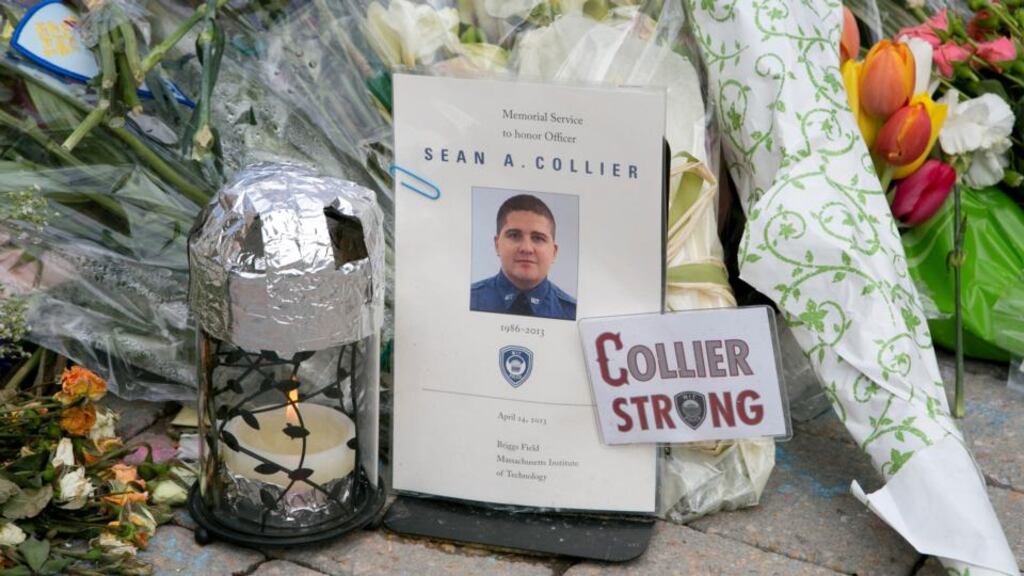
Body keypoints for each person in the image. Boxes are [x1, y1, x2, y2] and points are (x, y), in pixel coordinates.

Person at [471, 194, 576, 320]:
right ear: (497, 244)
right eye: (514, 235)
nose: (526, 248)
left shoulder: (572, 313)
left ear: (554, 252)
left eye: (538, 238)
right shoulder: (468, 300)